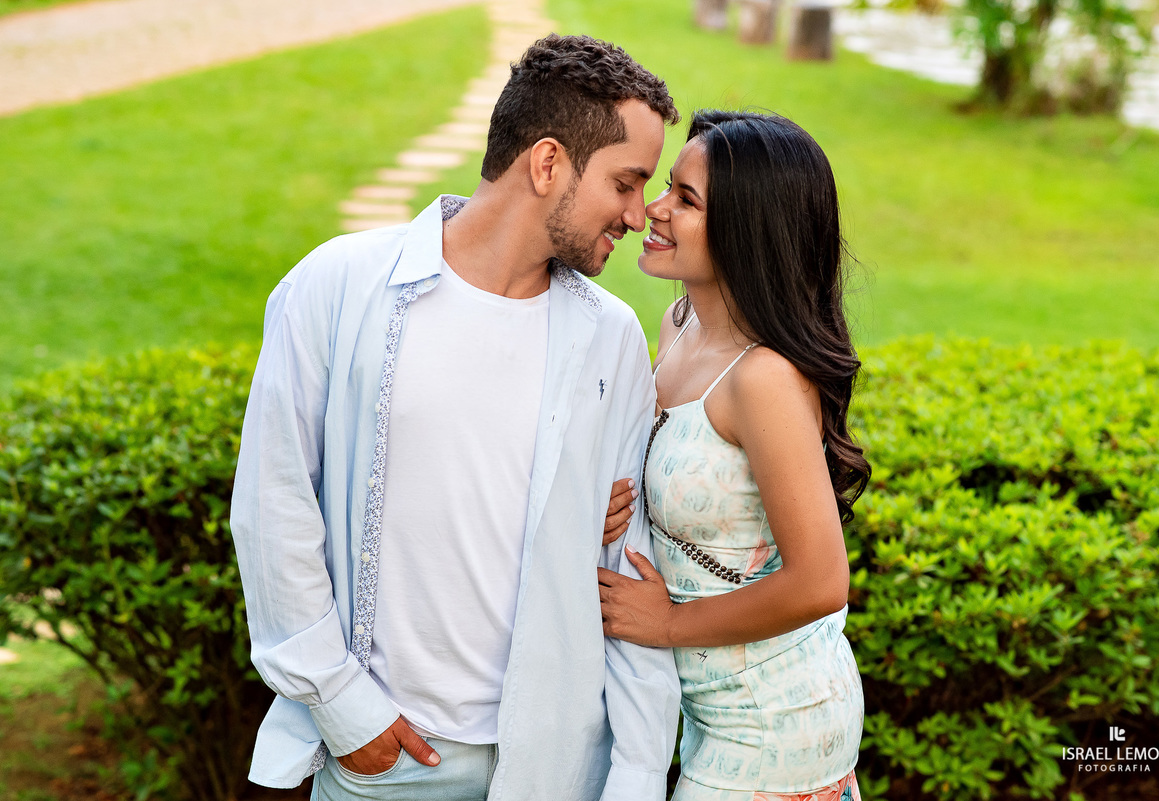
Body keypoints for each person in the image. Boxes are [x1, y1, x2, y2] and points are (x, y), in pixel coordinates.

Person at [230, 34, 683, 801]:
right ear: (547, 164)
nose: (641, 214)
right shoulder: (336, 288)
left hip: (555, 769)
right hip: (386, 761)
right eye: (627, 182)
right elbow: (274, 507)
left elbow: (625, 567)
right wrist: (344, 707)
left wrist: (636, 775)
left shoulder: (610, 339)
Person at [597, 110, 871, 801]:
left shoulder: (764, 378)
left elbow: (820, 581)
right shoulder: (680, 323)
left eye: (686, 201)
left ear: (749, 230)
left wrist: (669, 624)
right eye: (669, 187)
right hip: (710, 709)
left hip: (775, 723)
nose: (653, 210)